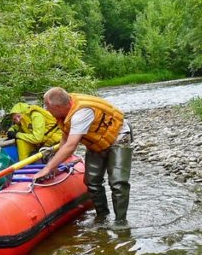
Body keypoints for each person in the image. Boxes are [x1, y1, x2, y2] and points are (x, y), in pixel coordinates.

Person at [34, 87, 132, 223]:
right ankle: (102, 217)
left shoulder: (81, 113)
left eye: (47, 106)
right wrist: (57, 163)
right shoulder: (65, 109)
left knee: (117, 182)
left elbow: (71, 146)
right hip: (96, 139)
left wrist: (48, 168)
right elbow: (65, 137)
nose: (46, 109)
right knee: (92, 182)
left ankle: (121, 222)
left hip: (118, 136)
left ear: (57, 106)